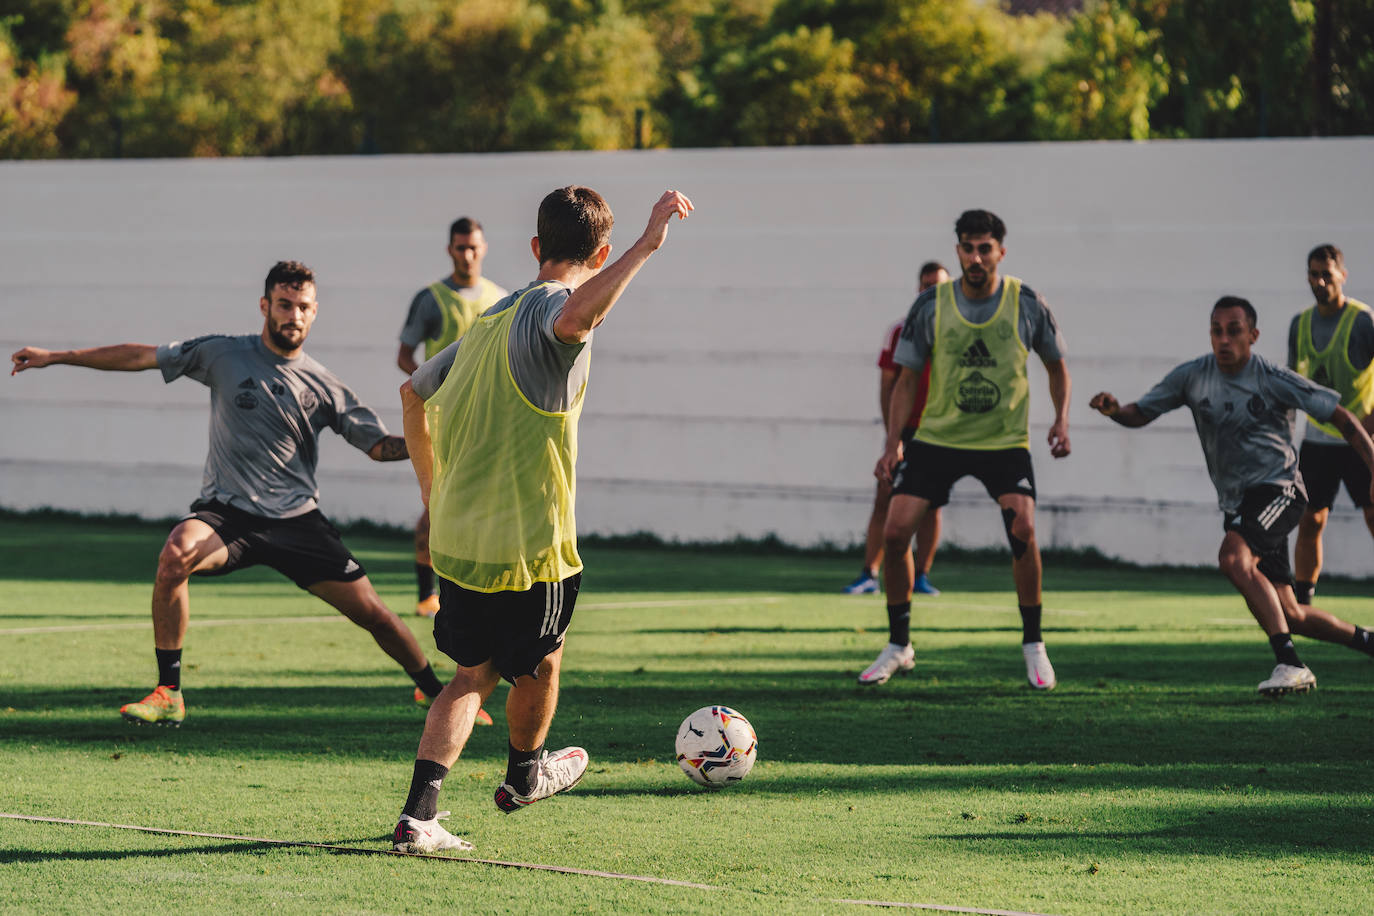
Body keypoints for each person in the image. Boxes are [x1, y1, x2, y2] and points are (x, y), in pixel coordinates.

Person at [10, 261, 450, 725]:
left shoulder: (326, 385)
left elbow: (379, 447)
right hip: (228, 517)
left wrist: (433, 438)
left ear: (314, 312)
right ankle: (169, 692)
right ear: (265, 305)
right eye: (283, 304)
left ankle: (433, 692)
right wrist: (58, 356)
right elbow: (141, 356)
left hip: (298, 523)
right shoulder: (221, 353)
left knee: (376, 615)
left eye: (302, 307)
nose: (292, 315)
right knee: (176, 554)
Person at [391, 187, 694, 855]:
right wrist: (649, 245)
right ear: (603, 254)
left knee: (472, 675)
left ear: (534, 248)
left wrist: (430, 487)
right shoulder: (560, 312)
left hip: (458, 537)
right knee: (543, 664)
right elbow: (574, 317)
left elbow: (411, 392)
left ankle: (419, 817)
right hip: (529, 543)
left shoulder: (490, 318)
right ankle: (526, 774)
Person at [1090, 296, 1374, 696]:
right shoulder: (1193, 376)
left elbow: (1342, 417)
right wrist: (1115, 410)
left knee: (1232, 558)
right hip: (1239, 502)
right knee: (1290, 612)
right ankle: (1367, 642)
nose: (1224, 339)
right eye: (1216, 330)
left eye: (1234, 330)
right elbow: (1142, 413)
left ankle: (1290, 663)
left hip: (1282, 490)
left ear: (1253, 335)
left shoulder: (1273, 378)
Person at [867, 209, 1071, 690]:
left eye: (984, 248)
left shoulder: (1027, 303)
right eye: (967, 247)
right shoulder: (930, 306)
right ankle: (899, 645)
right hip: (938, 438)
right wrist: (893, 442)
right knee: (895, 535)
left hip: (1003, 440)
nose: (975, 257)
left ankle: (1034, 646)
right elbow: (906, 379)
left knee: (1023, 528)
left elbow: (1056, 365)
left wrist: (1061, 419)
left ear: (1001, 251)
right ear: (957, 250)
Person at [397, 217, 508, 618]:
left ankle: (479, 588)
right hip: (442, 421)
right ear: (450, 249)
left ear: (484, 248)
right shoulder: (431, 299)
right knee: (435, 504)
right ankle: (428, 594)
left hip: (489, 423)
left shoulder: (502, 298)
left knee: (486, 505)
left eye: (474, 247)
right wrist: (429, 387)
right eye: (461, 247)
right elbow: (404, 356)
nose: (468, 254)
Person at [844, 260, 949, 597]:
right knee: (885, 498)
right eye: (926, 284)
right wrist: (894, 436)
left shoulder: (957, 333)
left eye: (939, 285)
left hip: (939, 431)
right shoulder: (900, 331)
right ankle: (869, 574)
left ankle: (921, 575)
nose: (932, 290)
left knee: (932, 505)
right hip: (904, 431)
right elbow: (888, 386)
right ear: (918, 288)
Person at [1287, 244, 1374, 605]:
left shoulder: (1362, 321)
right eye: (1313, 273)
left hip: (1361, 441)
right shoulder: (1301, 324)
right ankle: (1303, 603)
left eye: (1326, 273)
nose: (1320, 280)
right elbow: (1290, 385)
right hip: (1319, 442)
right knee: (1310, 521)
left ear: (1342, 274)